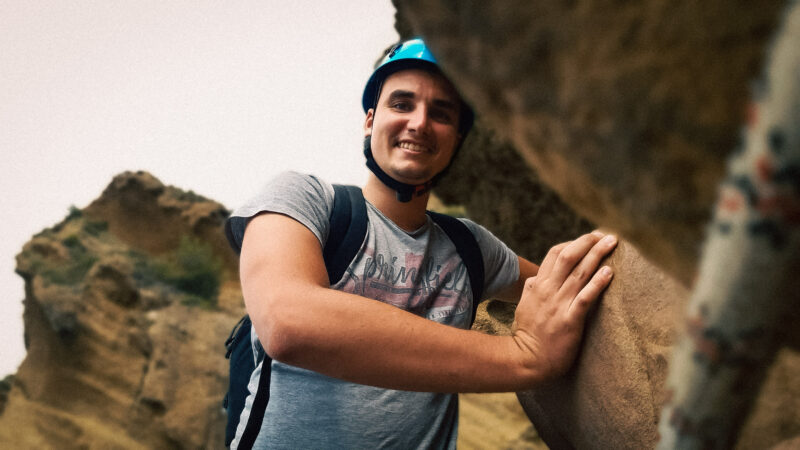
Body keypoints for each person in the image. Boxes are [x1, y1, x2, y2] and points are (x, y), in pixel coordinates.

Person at [228, 38, 617, 449]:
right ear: (369, 120)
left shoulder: (471, 248)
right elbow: (288, 322)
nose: (419, 122)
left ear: (457, 139)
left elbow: (559, 288)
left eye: (441, 113)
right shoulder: (306, 200)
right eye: (402, 104)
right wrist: (526, 356)